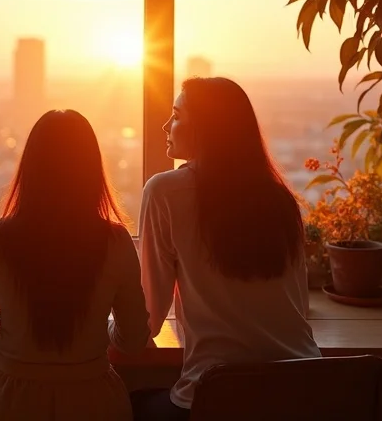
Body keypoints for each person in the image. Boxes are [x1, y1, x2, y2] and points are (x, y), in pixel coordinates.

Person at [132, 77, 321, 420]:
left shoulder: (165, 191)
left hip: (217, 399)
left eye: (176, 115)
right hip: (304, 395)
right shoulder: (279, 199)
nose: (165, 125)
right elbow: (300, 306)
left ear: (204, 127)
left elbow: (148, 320)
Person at [0, 109, 151, 421]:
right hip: (92, 400)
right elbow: (132, 341)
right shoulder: (116, 241)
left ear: (30, 169)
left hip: (8, 401)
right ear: (91, 172)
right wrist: (100, 332)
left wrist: (6, 323)